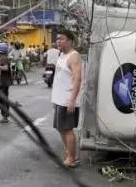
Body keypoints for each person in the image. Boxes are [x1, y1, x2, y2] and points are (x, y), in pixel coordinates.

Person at [52, 29, 83, 168]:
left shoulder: (74, 56)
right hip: (59, 99)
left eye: (62, 39)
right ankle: (69, 153)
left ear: (70, 40)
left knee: (67, 129)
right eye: (57, 39)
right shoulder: (62, 55)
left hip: (67, 99)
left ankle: (72, 158)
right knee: (60, 128)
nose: (58, 41)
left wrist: (72, 99)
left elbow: (77, 79)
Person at [0, 43, 12, 123]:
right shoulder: (2, 58)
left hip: (4, 82)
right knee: (4, 98)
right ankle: (5, 116)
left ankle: (5, 117)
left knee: (1, 98)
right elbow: (0, 73)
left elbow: (5, 68)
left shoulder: (3, 58)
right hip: (3, 81)